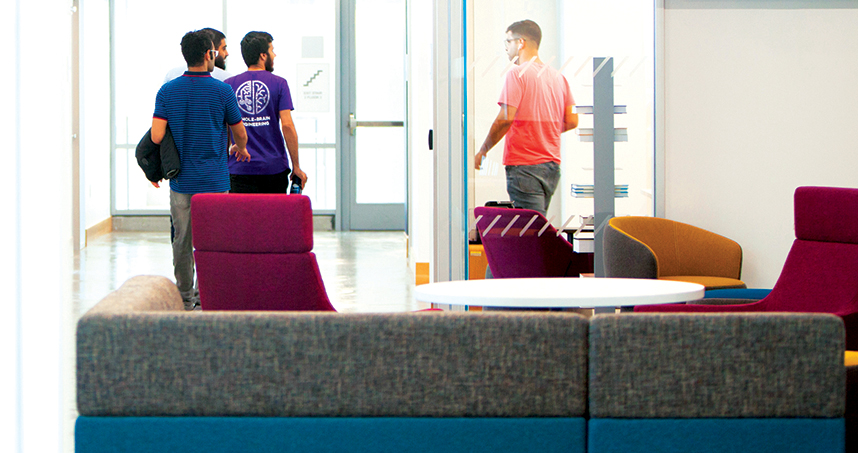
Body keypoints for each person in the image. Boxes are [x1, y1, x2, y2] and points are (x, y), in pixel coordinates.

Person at [150, 29, 250, 310]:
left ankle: (185, 299)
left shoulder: (167, 91)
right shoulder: (223, 90)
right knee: (215, 242)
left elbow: (157, 136)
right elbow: (239, 132)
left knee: (182, 241)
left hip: (182, 182)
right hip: (216, 182)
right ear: (209, 55)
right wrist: (240, 147)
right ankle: (207, 296)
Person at [474, 20, 578, 216]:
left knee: (528, 235)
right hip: (551, 166)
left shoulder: (517, 74)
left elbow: (505, 119)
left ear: (520, 42)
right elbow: (572, 120)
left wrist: (483, 151)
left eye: (508, 41)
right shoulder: (558, 77)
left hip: (525, 167)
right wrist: (542, 130)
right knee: (536, 227)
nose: (506, 48)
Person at [224, 31, 307, 193]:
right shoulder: (279, 84)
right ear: (263, 56)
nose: (274, 55)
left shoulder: (229, 85)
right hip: (273, 169)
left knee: (241, 219)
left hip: (238, 169)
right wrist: (296, 166)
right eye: (272, 50)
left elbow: (225, 128)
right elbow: (287, 126)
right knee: (273, 218)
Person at [163, 28, 232, 83]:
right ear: (209, 51)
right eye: (223, 48)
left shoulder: (171, 76)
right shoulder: (227, 80)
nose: (227, 53)